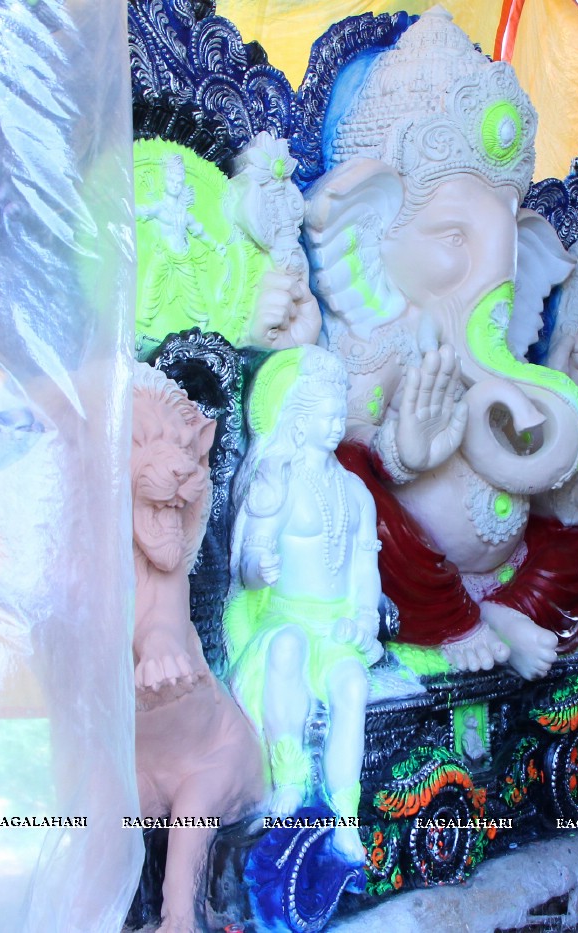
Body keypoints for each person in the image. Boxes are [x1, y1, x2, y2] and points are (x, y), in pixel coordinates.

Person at [225, 346, 383, 861]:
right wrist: (257, 568)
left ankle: (345, 815)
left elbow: (363, 569)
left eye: (341, 414)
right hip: (283, 618)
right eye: (325, 415)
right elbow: (249, 563)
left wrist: (363, 618)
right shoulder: (277, 479)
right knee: (287, 648)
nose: (337, 424)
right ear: (298, 417)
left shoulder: (355, 491)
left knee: (352, 683)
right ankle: (288, 775)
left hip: (334, 627)